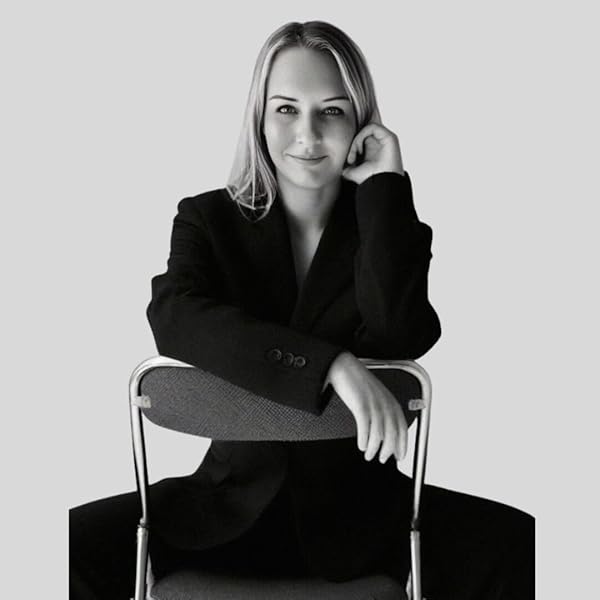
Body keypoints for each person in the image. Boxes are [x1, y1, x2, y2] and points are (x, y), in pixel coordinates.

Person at [69, 20, 534, 599]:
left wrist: (384, 187)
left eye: (332, 111)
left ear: (360, 122)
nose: (308, 134)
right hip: (223, 512)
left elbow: (400, 333)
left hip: (365, 516)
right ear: (260, 118)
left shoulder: (387, 224)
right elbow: (174, 317)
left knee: (522, 543)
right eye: (286, 109)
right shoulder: (208, 219)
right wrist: (331, 365)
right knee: (65, 546)